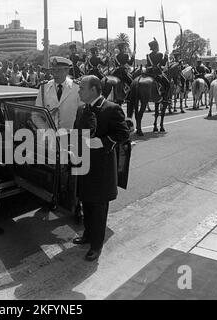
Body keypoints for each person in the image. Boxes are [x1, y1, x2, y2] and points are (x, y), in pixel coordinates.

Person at [73, 75, 130, 261]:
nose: (79, 91)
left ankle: (96, 245)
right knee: (86, 201)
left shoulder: (111, 109)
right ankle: (88, 234)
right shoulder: (82, 109)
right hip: (84, 164)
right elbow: (76, 132)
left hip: (101, 167)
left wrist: (103, 142)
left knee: (98, 206)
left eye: (82, 88)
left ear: (94, 89)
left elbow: (123, 133)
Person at [35, 56, 83, 129]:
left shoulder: (77, 87)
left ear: (67, 71)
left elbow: (83, 114)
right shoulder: (44, 87)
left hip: (72, 135)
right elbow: (36, 115)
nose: (55, 73)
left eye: (59, 70)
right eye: (53, 70)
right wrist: (45, 130)